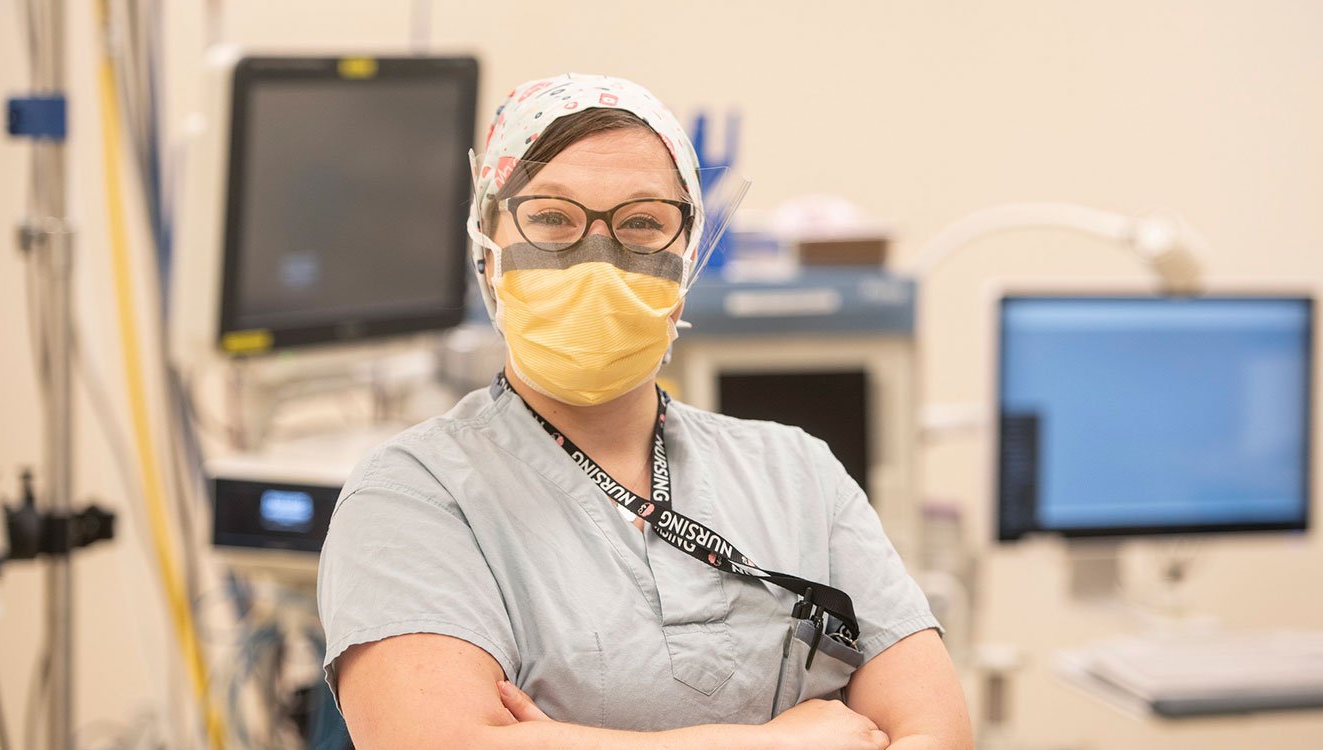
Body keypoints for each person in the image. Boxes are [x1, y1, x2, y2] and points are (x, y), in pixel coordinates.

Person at [317, 73, 972, 750]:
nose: (597, 258)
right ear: (487, 252)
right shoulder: (415, 493)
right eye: (550, 219)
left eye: (642, 224)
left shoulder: (798, 472)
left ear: (687, 263)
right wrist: (774, 742)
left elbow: (938, 733)